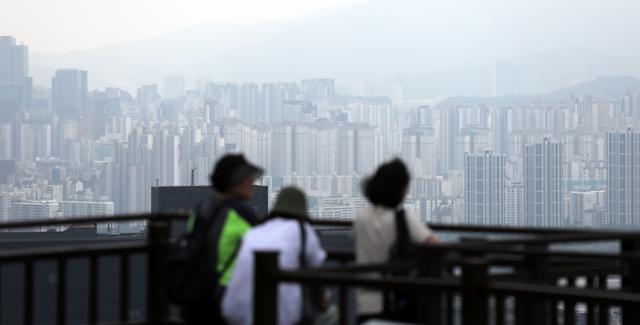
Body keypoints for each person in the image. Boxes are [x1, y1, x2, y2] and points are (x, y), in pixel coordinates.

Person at [222, 187, 327, 325]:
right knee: (328, 316)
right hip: (279, 315)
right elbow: (316, 266)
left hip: (235, 311)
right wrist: (322, 301)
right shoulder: (302, 230)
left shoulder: (255, 231)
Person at [182, 154, 264, 324]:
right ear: (234, 183)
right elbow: (265, 250)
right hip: (227, 296)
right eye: (246, 179)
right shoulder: (241, 215)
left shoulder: (201, 209)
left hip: (195, 293)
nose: (251, 183)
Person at [353, 158, 438, 317]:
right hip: (393, 303)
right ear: (399, 190)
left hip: (364, 304)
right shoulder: (402, 219)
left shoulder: (361, 218)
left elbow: (354, 238)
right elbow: (434, 244)